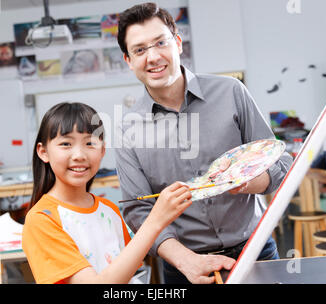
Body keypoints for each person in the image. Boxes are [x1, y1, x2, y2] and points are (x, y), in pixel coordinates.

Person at [114, 3, 293, 284]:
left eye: (161, 42)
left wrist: (249, 181)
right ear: (128, 60)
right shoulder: (126, 130)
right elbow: (136, 209)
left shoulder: (232, 92)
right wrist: (185, 260)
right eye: (139, 50)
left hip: (256, 251)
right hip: (183, 266)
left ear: (178, 43)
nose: (153, 56)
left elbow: (281, 162)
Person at [21, 102, 229, 284]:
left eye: (89, 143)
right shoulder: (41, 220)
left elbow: (127, 274)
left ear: (102, 151)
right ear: (43, 152)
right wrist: (155, 220)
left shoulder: (109, 210)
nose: (79, 155)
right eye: (66, 144)